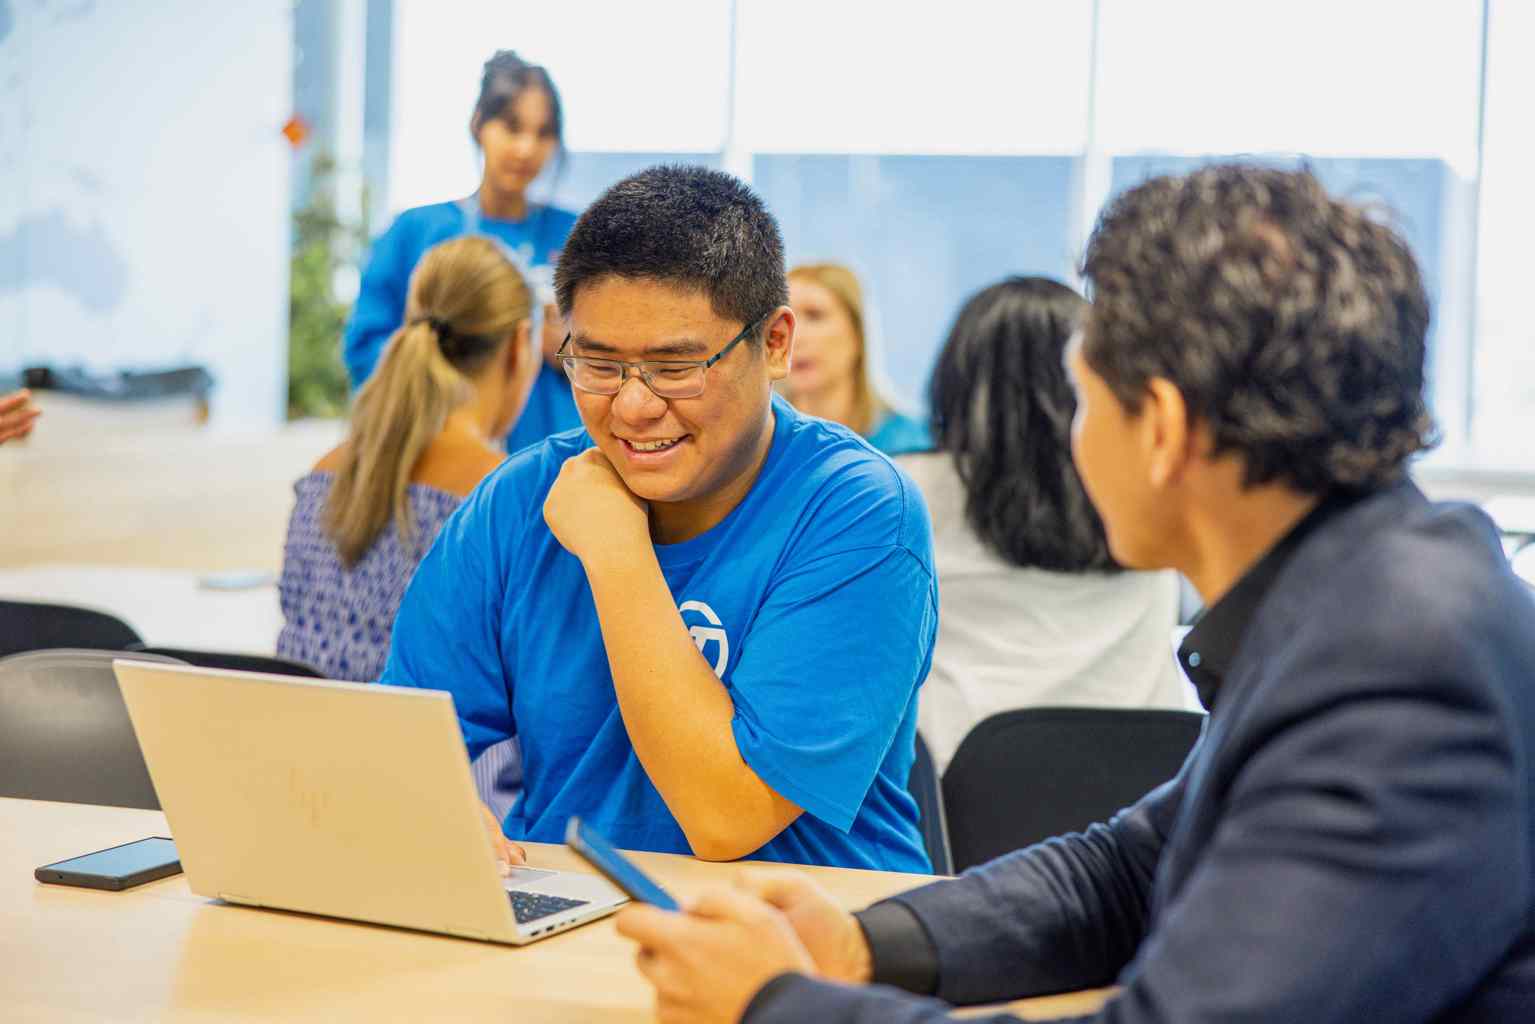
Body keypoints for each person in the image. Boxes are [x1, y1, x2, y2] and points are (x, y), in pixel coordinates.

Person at [614, 164, 1535, 1023]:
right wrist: (860, 943)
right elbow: (1130, 873)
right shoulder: (1357, 591)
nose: (1072, 439)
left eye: (1082, 400)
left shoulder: (1402, 672)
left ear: (1162, 429)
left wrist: (775, 1003)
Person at [381, 165, 937, 873]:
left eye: (675, 368)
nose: (633, 406)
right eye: (597, 363)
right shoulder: (520, 499)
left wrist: (616, 553)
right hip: (571, 919)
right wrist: (440, 807)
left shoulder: (858, 512)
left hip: (805, 935)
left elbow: (725, 815)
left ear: (773, 344)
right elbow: (403, 742)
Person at [902, 276, 1187, 773]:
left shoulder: (903, 494)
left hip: (961, 809)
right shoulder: (1157, 491)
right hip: (1146, 794)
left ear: (957, 385)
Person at [278, 235, 537, 683]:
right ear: (520, 345)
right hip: (440, 753)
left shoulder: (324, 475)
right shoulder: (508, 498)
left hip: (299, 746)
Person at [343, 49, 581, 453]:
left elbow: (630, 356)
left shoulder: (577, 235)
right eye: (511, 126)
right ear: (478, 125)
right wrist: (457, 347)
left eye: (543, 133)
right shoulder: (416, 232)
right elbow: (365, 352)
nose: (526, 148)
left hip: (557, 463)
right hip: (440, 458)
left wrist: (573, 350)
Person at [784, 263, 930, 454]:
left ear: (857, 334)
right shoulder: (754, 449)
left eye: (814, 316)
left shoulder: (914, 445)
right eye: (784, 319)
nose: (794, 336)